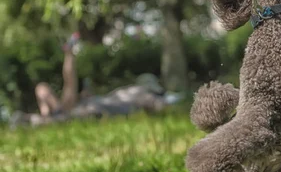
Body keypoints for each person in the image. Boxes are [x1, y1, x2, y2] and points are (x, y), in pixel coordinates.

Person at [9, 33, 183, 128]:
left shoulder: (140, 93)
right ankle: (41, 119)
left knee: (54, 91)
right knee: (51, 90)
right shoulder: (143, 93)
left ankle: (39, 120)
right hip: (91, 106)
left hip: (89, 107)